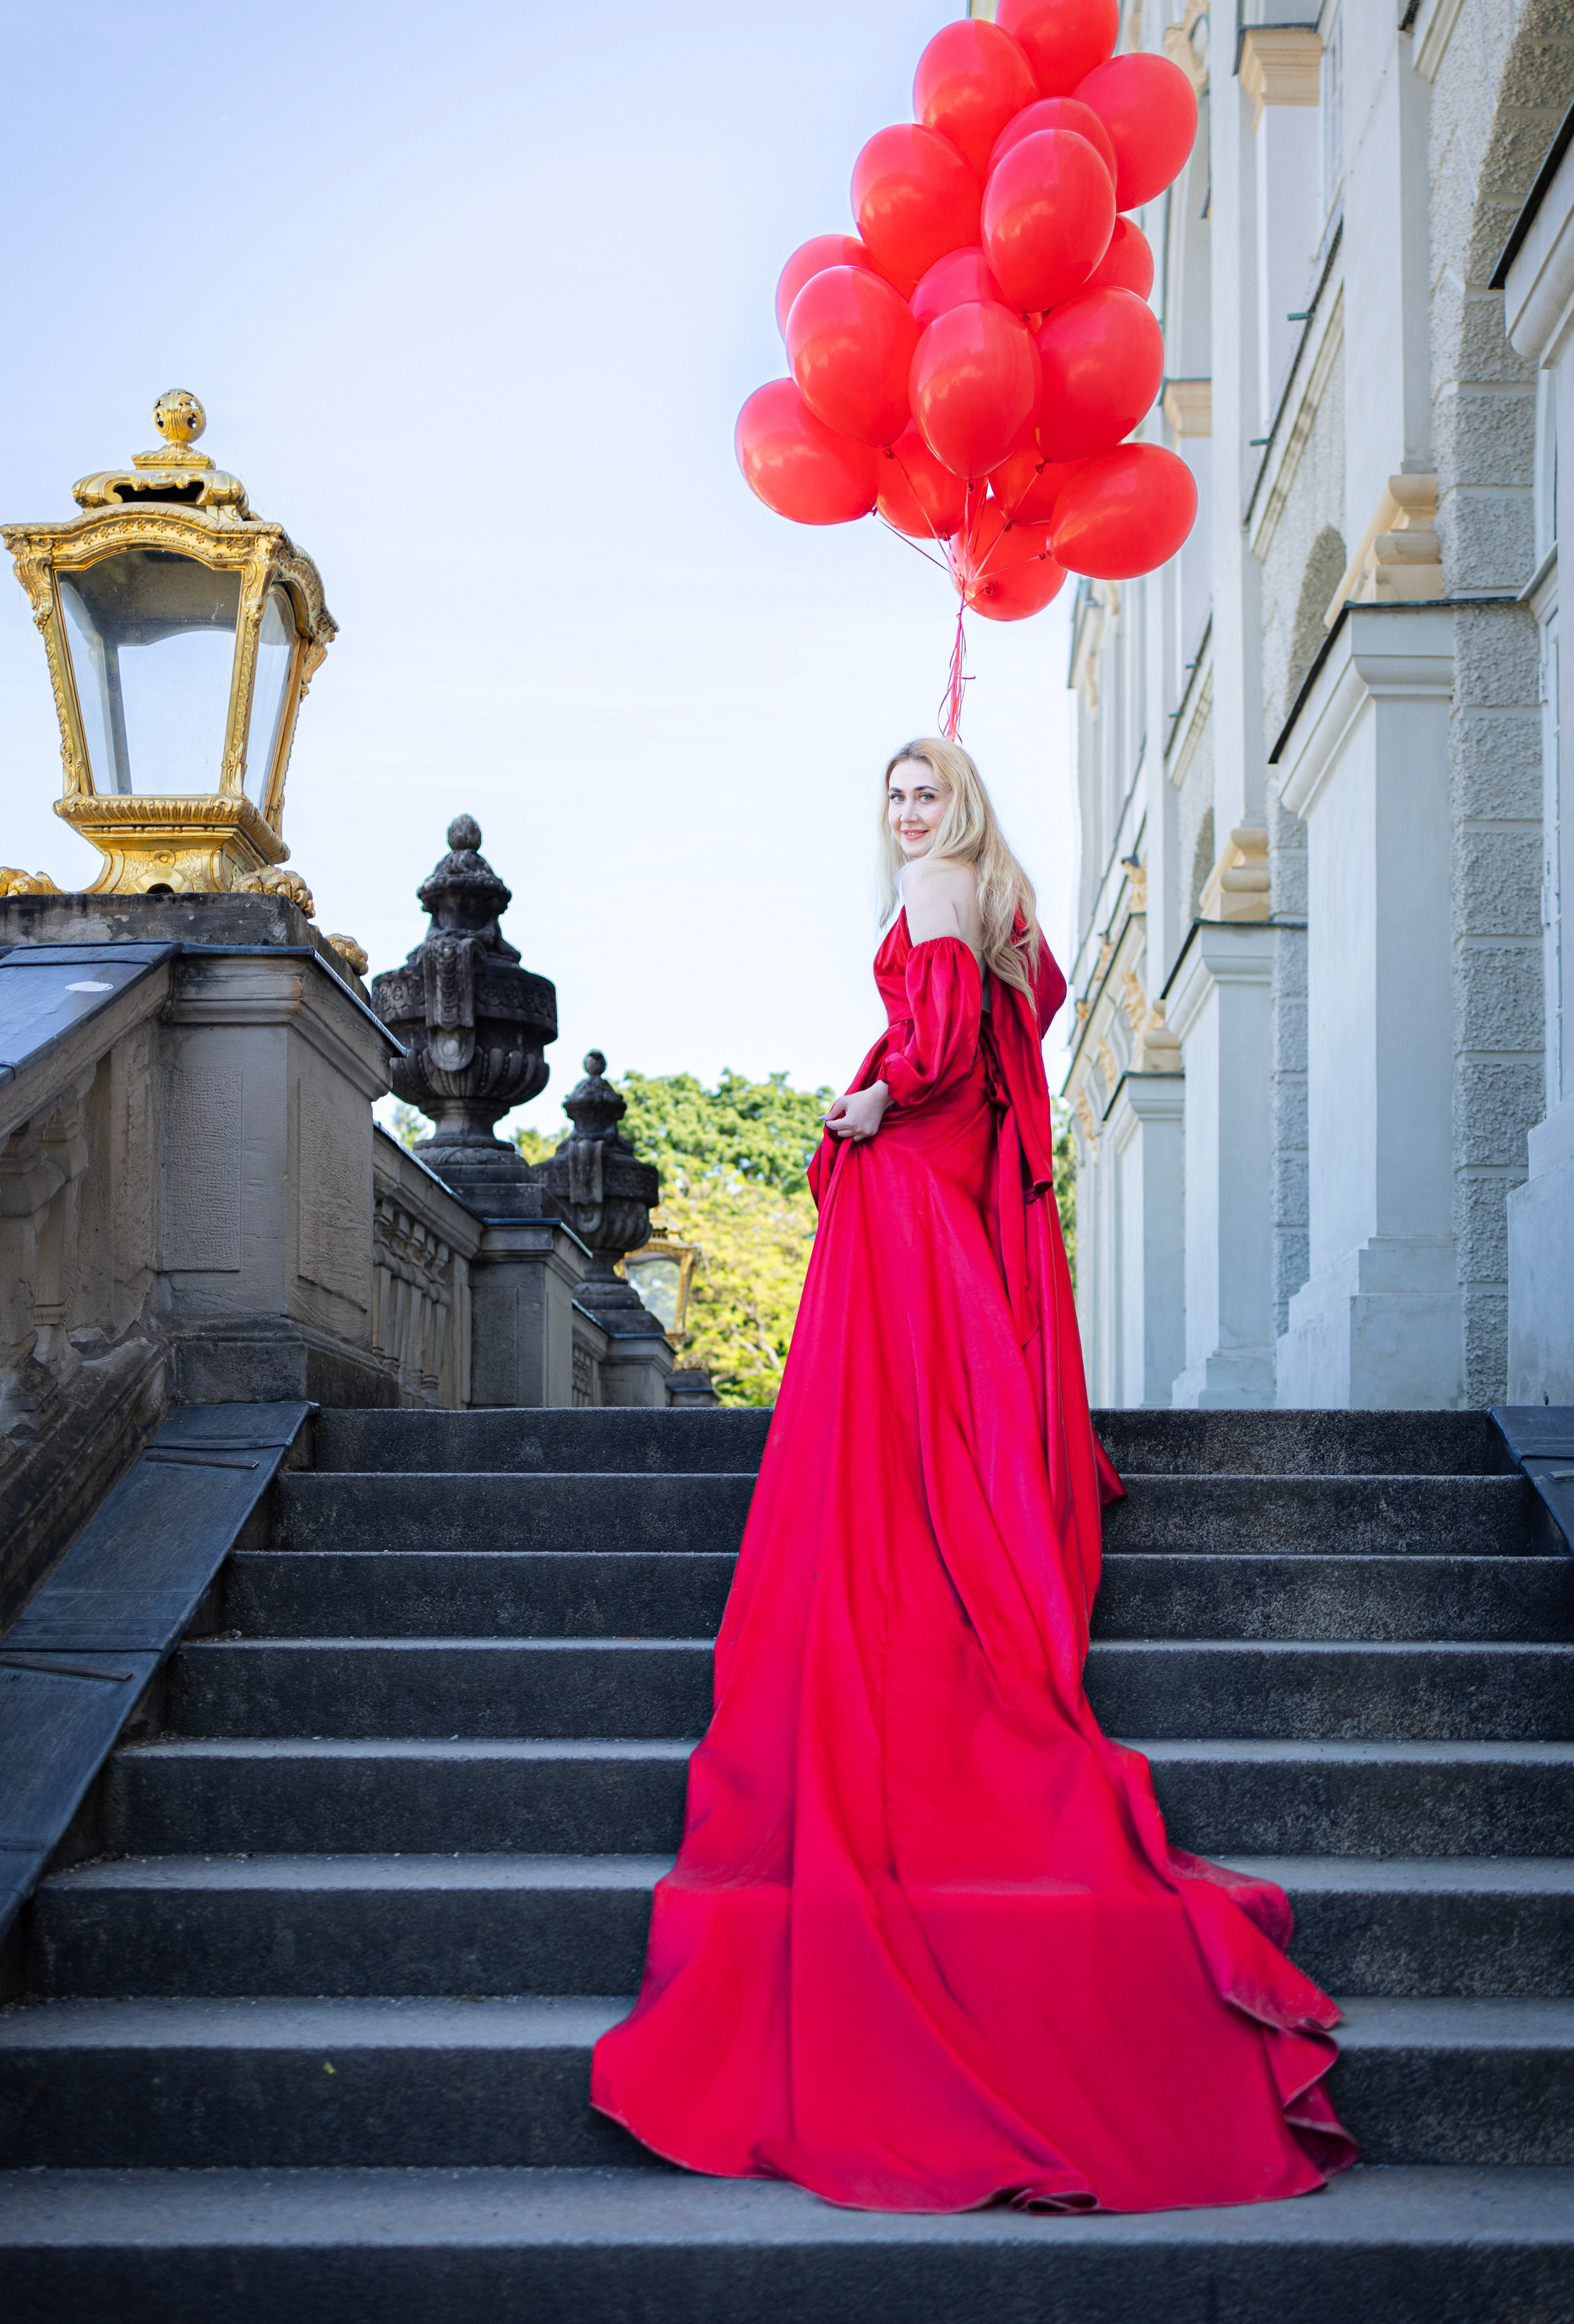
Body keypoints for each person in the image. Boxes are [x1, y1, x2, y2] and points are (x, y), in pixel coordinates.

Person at [591, 738, 1354, 2212]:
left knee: (890, 1420)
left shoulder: (940, 886)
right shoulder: (994, 899)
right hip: (961, 1189)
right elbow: (1023, 1013)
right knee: (941, 1401)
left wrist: (871, 1100)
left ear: (961, 805)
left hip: (913, 1178)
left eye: (925, 787)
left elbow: (937, 1054)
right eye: (891, 793)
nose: (906, 812)